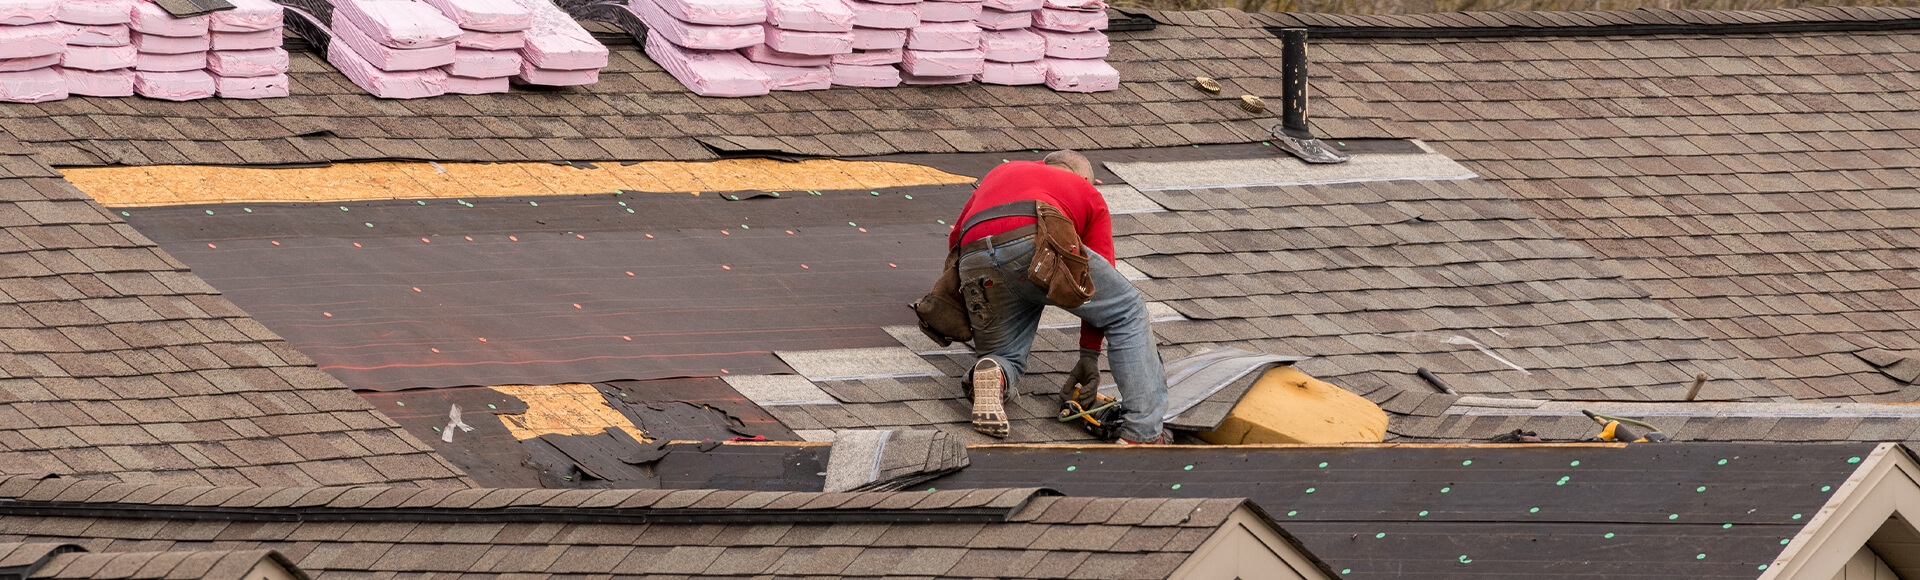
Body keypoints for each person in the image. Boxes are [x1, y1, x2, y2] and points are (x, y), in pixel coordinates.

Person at [947, 150, 1170, 444]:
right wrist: (1089, 354)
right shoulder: (1085, 191)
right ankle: (1142, 433)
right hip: (1037, 239)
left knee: (1005, 353)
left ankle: (994, 371)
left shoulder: (1002, 172)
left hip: (974, 257)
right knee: (1127, 309)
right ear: (1082, 176)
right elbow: (1095, 289)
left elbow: (955, 239)